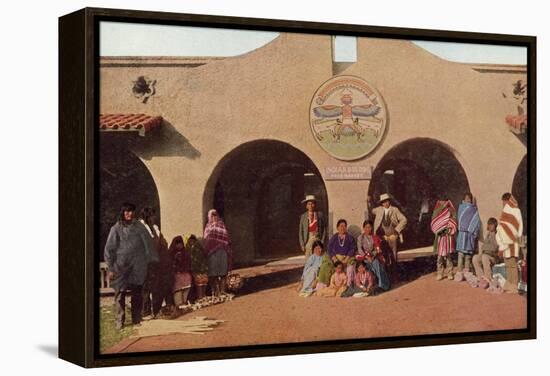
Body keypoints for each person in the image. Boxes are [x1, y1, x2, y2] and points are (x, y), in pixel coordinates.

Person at [104, 203, 154, 329]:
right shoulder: (116, 229)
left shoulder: (139, 227)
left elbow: (148, 245)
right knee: (120, 294)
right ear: (122, 212)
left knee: (137, 293)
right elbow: (109, 249)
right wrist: (111, 268)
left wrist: (148, 261)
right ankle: (119, 321)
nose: (129, 214)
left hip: (136, 267)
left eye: (131, 211)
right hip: (120, 267)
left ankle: (136, 318)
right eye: (126, 211)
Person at [139, 207, 173, 319]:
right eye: (152, 216)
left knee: (155, 286)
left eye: (154, 216)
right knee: (145, 288)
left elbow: (163, 243)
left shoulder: (155, 229)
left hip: (155, 262)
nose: (154, 218)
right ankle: (145, 312)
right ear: (147, 217)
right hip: (144, 262)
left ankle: (156, 310)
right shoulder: (140, 228)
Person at [372, 193, 407, 278]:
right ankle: (385, 274)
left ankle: (394, 274)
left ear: (389, 201)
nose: (385, 203)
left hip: (392, 235)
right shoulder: (379, 209)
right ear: (381, 203)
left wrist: (397, 230)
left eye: (387, 201)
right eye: (383, 202)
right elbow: (371, 209)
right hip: (382, 236)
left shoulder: (394, 210)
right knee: (383, 254)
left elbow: (404, 220)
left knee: (393, 254)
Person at [496, 193, 523, 293]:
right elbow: (502, 225)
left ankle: (514, 286)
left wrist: (511, 236)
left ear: (508, 200)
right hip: (505, 243)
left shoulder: (516, 211)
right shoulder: (505, 211)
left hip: (512, 242)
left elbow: (518, 227)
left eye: (504, 201)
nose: (503, 203)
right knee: (508, 265)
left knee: (512, 265)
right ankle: (510, 285)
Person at [204, 209, 232, 297]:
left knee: (223, 273)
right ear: (209, 216)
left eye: (215, 215)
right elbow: (207, 239)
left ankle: (222, 291)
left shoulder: (222, 225)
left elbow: (226, 238)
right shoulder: (208, 227)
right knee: (213, 274)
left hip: (222, 251)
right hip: (212, 253)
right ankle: (215, 292)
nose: (214, 217)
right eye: (212, 215)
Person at [357, 220, 391, 291]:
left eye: (369, 227)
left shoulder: (374, 237)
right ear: (363, 228)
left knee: (376, 264)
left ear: (372, 228)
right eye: (366, 227)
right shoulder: (360, 237)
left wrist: (372, 255)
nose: (368, 229)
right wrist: (366, 256)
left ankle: (382, 285)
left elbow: (377, 249)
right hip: (364, 258)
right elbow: (359, 249)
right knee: (364, 266)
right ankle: (368, 286)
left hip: (373, 257)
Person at [455, 192, 481, 282]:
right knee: (460, 254)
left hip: (469, 235)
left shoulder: (473, 209)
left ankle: (467, 272)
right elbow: (460, 219)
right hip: (462, 234)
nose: (468, 200)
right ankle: (459, 272)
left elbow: (475, 219)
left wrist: (473, 231)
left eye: (469, 199)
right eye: (466, 198)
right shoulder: (461, 208)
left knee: (468, 255)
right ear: (463, 199)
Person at [431, 199, 458, 281]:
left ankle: (450, 273)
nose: (443, 203)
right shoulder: (436, 211)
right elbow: (434, 222)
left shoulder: (451, 210)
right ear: (439, 201)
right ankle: (440, 273)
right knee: (439, 257)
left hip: (447, 236)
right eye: (441, 201)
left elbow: (454, 220)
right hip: (439, 237)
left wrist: (448, 228)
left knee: (448, 256)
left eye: (445, 201)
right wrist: (439, 228)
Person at [327, 219, 357, 287]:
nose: (342, 228)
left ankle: (348, 285)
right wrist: (334, 258)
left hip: (347, 257)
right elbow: (329, 248)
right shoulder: (334, 237)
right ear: (337, 228)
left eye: (344, 226)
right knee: (327, 265)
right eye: (341, 226)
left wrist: (346, 259)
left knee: (351, 267)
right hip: (336, 258)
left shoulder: (350, 237)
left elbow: (352, 249)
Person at [472, 218, 499, 289]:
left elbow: (494, 248)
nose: (490, 226)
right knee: (475, 257)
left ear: (495, 225)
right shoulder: (488, 234)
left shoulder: (496, 235)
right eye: (489, 224)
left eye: (492, 225)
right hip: (486, 254)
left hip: (493, 257)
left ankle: (488, 278)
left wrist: (486, 248)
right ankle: (481, 277)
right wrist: (485, 248)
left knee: (484, 257)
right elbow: (483, 247)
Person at [298, 195, 327, 261]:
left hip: (317, 239)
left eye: (312, 204)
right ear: (306, 206)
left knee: (318, 259)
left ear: (315, 205)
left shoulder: (319, 215)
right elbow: (300, 232)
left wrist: (322, 241)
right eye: (309, 204)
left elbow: (324, 229)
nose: (311, 205)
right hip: (308, 240)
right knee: (308, 261)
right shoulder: (303, 216)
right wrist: (302, 244)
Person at [170, 236, 192, 309]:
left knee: (184, 301)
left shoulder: (185, 253)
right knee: (179, 301)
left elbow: (189, 264)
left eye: (180, 244)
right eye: (177, 244)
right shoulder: (171, 253)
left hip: (186, 279)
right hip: (177, 279)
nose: (179, 246)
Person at [187, 234, 208, 300]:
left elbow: (203, 258)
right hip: (195, 270)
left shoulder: (199, 249)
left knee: (203, 284)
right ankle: (200, 297)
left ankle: (202, 297)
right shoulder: (188, 249)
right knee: (199, 284)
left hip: (201, 269)